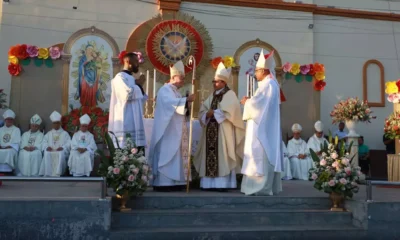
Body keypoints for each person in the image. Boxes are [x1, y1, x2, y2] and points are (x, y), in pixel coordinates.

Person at [194, 62, 245, 191]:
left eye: (216, 82)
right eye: (213, 82)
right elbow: (202, 110)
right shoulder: (212, 95)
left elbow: (230, 111)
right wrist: (206, 114)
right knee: (210, 156)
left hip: (223, 132)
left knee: (222, 155)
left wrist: (214, 113)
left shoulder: (230, 94)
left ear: (223, 82)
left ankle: (223, 184)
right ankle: (208, 184)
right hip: (210, 129)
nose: (214, 84)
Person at [240, 50, 283, 196]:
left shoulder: (268, 84)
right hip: (262, 125)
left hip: (262, 129)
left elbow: (259, 105)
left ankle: (259, 187)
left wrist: (247, 102)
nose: (255, 74)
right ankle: (255, 186)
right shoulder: (270, 84)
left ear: (264, 71)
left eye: (257, 71)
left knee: (259, 155)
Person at [149, 60, 196, 191]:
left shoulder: (175, 91)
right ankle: (164, 183)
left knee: (177, 155)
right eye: (181, 77)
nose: (182, 80)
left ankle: (176, 181)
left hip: (176, 129)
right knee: (167, 153)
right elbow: (170, 104)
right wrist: (186, 100)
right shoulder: (165, 90)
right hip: (167, 130)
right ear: (173, 77)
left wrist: (186, 102)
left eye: (183, 78)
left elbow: (180, 107)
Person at [108, 52, 146, 150]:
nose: (138, 64)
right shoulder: (120, 77)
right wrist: (139, 84)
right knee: (125, 150)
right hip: (125, 120)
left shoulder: (132, 78)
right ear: (128, 62)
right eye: (136, 61)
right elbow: (127, 94)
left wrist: (138, 86)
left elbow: (140, 99)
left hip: (135, 121)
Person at [39, 111, 71, 177]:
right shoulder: (48, 134)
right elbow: (44, 142)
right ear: (52, 124)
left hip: (60, 151)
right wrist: (47, 147)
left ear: (60, 123)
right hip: (50, 151)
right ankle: (48, 173)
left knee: (60, 153)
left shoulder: (65, 134)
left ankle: (58, 173)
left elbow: (69, 143)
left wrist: (63, 147)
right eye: (54, 123)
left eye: (57, 123)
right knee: (47, 153)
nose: (56, 125)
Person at [0, 109, 21, 173]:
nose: (9, 120)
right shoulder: (0, 129)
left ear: (13, 120)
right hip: (1, 148)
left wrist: (10, 146)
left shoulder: (16, 129)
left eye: (11, 119)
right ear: (5, 120)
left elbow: (17, 142)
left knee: (9, 152)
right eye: (8, 119)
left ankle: (8, 171)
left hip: (11, 148)